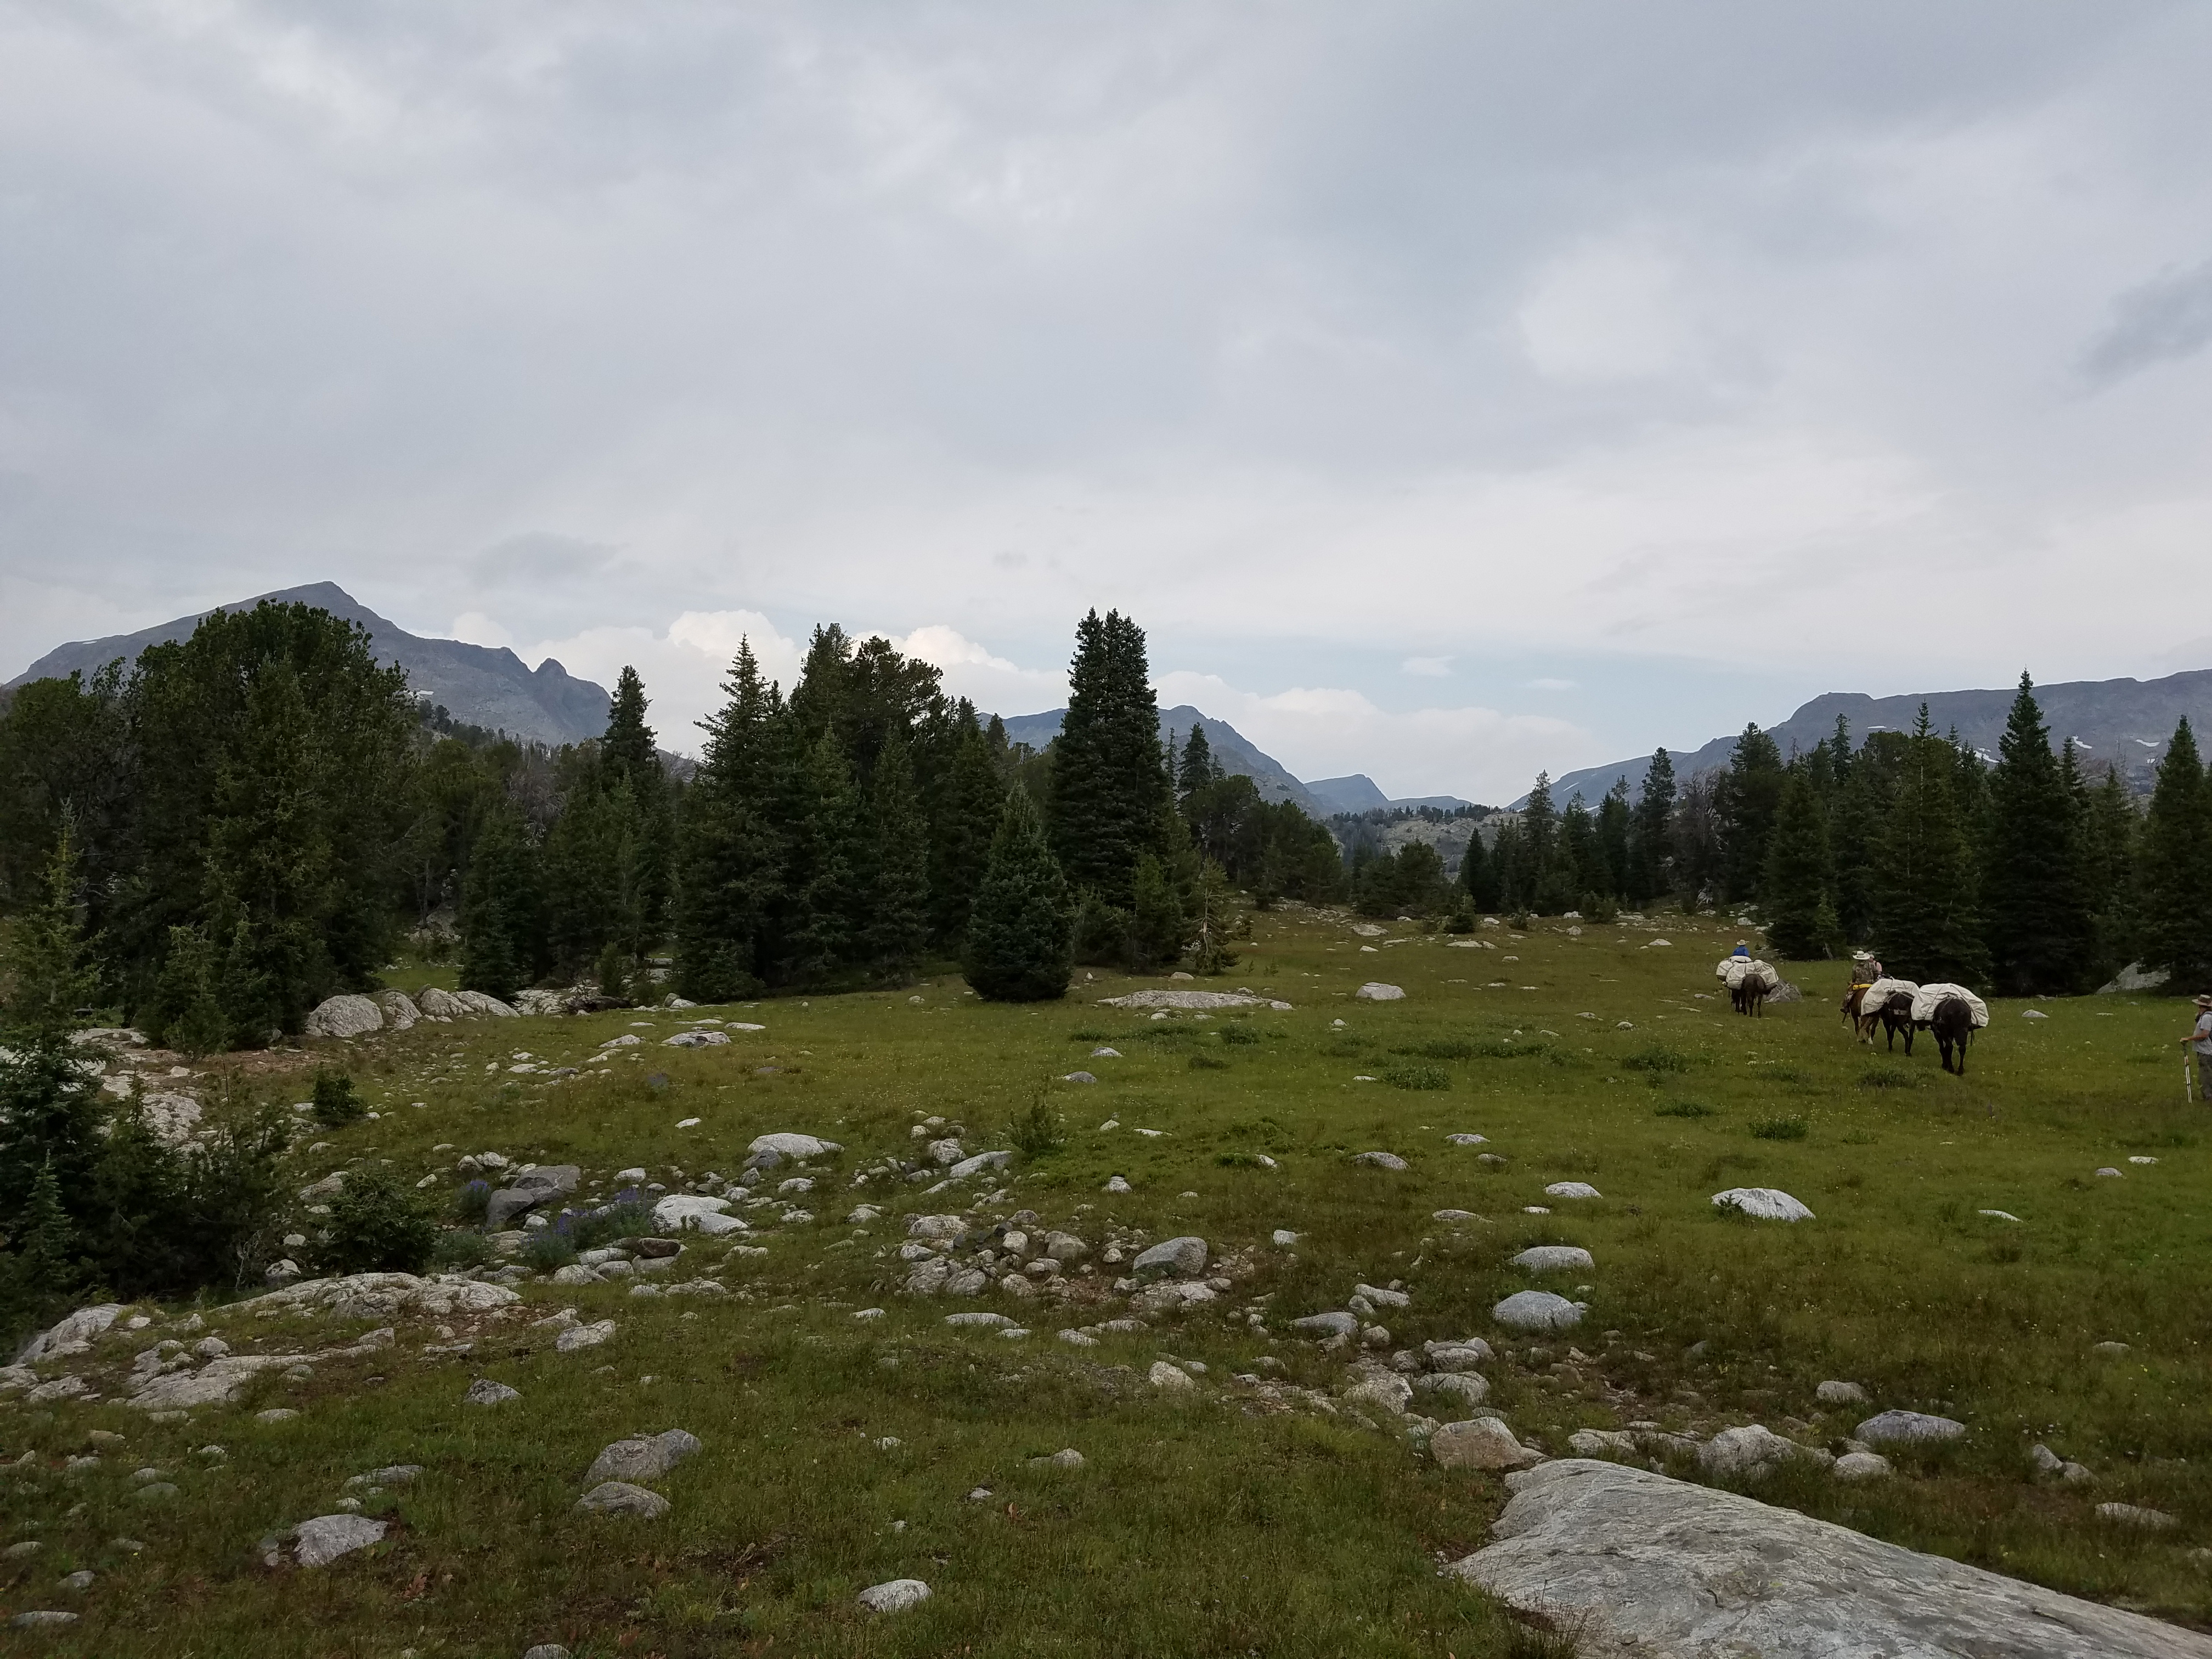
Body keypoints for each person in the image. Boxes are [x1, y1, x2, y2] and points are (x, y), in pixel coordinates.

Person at [2179, 995, 2212, 1100]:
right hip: (2206, 1050)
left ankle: (2208, 1096)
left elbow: (2204, 1035)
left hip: (2206, 1050)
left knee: (2205, 1074)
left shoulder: (2207, 1017)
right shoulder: (2205, 1016)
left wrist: (2188, 1039)